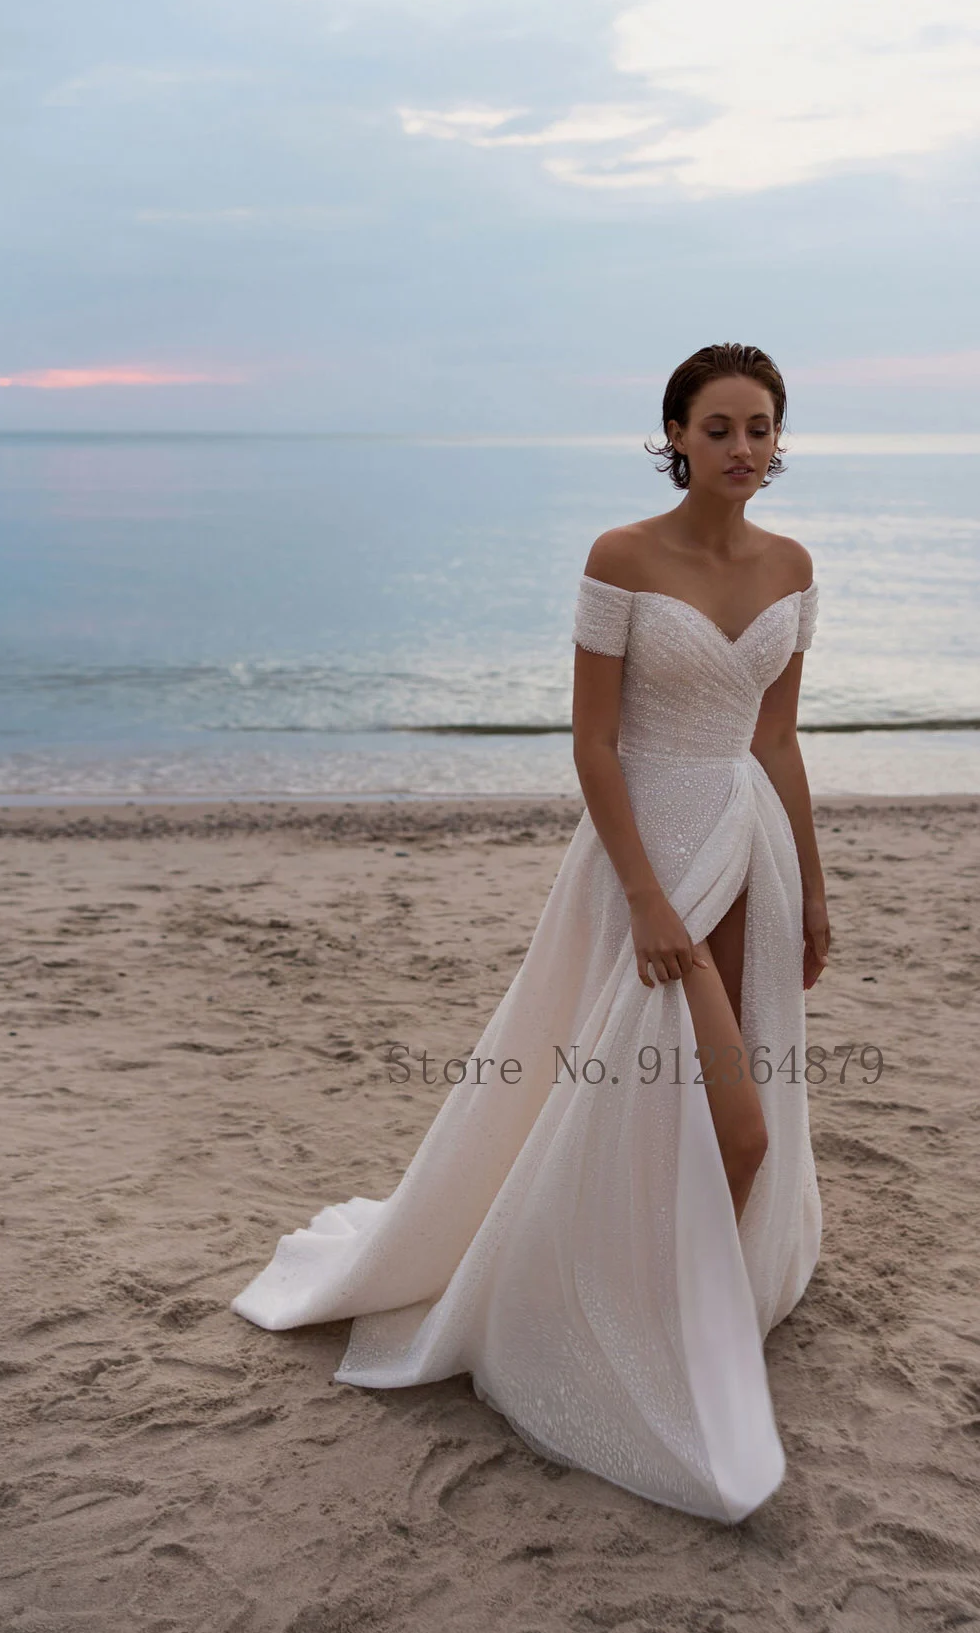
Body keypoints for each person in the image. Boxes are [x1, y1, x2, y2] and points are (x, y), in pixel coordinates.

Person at [231, 342, 829, 1522]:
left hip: (746, 837)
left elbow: (774, 738)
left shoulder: (794, 565)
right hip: (645, 851)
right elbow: (593, 742)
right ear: (673, 435)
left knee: (716, 1101)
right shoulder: (620, 557)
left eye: (760, 428)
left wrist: (810, 884)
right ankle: (593, 1307)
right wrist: (648, 896)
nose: (742, 450)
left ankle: (671, 1283)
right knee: (736, 1125)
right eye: (717, 428)